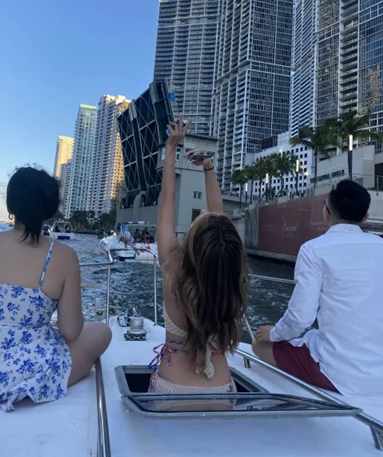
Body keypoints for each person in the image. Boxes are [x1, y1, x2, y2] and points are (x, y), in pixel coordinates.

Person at [0, 166, 111, 411]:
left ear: (10, 206)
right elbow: (71, 331)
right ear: (50, 211)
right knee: (102, 331)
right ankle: (26, 388)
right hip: (17, 375)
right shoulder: (62, 255)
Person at [253, 179, 383, 397]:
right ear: (365, 218)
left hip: (340, 375)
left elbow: (300, 318)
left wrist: (273, 334)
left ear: (326, 212)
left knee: (259, 346)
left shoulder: (313, 250)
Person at [148, 114, 248, 396]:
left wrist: (171, 148)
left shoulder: (172, 267)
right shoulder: (230, 280)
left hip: (171, 389)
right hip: (223, 391)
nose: (205, 211)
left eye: (201, 217)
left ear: (194, 241)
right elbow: (219, 218)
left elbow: (167, 201)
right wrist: (208, 168)